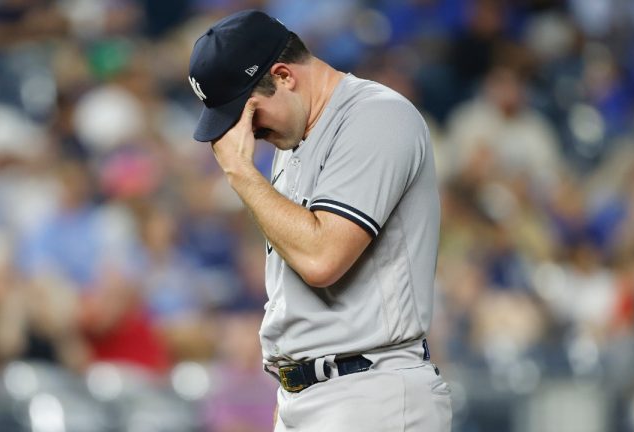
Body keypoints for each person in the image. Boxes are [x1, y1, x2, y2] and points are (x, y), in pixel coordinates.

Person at [188, 9, 451, 431]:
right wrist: (292, 385)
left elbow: (322, 259)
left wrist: (241, 173)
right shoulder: (292, 140)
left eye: (248, 113)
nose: (246, 132)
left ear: (284, 76)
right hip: (315, 395)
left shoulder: (375, 117)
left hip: (370, 393)